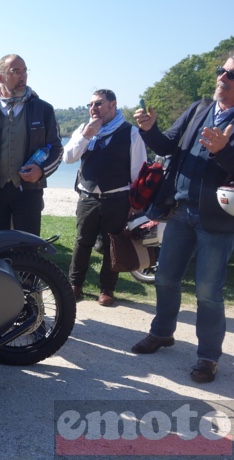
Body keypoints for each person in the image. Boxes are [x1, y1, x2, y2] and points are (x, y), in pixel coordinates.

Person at [131, 53, 234, 383]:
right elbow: (168, 145)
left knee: (207, 292)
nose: (222, 77)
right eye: (222, 71)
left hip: (217, 221)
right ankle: (162, 333)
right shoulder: (199, 109)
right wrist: (149, 130)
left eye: (230, 75)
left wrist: (224, 151)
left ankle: (207, 358)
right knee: (165, 279)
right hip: (179, 211)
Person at [63, 90, 147, 306]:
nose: (93, 108)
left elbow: (138, 171)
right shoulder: (84, 129)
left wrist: (135, 204)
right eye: (90, 104)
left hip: (117, 198)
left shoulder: (131, 133)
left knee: (113, 245)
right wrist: (86, 136)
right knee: (82, 242)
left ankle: (107, 289)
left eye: (99, 104)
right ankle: (75, 285)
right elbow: (68, 157)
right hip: (88, 197)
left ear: (113, 105)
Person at [0, 54, 63, 236]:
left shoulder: (43, 110)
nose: (22, 76)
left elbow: (57, 150)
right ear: (0, 77)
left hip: (28, 193)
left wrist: (41, 171)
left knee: (27, 247)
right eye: (15, 72)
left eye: (25, 71)